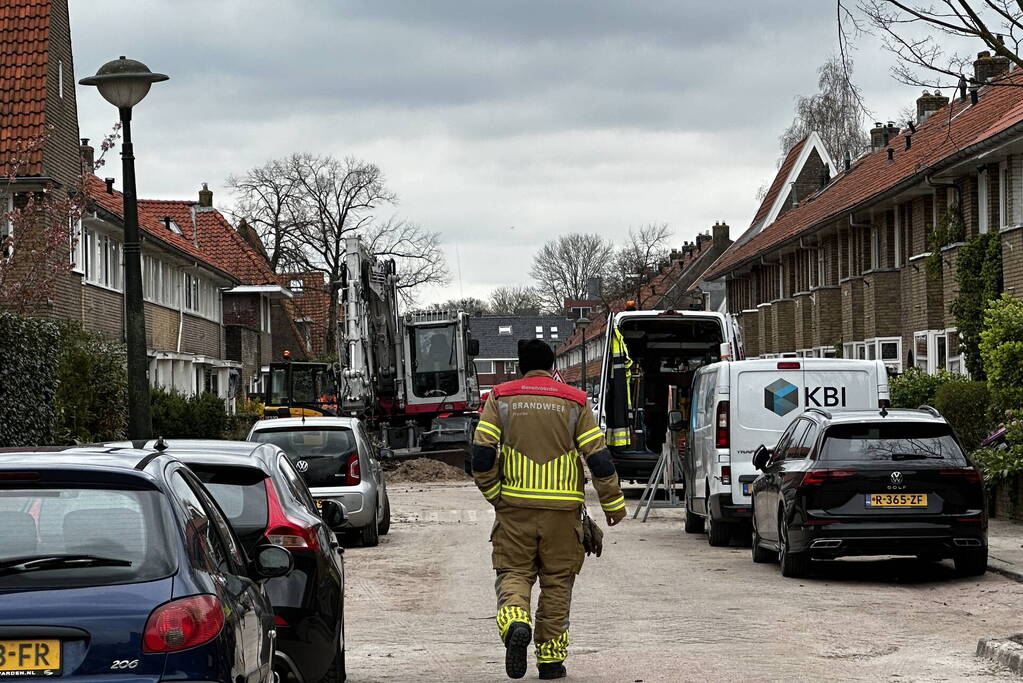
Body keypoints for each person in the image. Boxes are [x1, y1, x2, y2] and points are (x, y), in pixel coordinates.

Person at [472, 339, 627, 680]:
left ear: (519, 366)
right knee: (558, 583)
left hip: (514, 509)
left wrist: (495, 494)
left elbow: (481, 455)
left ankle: (515, 621)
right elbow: (598, 458)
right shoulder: (575, 401)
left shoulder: (500, 397)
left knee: (513, 574)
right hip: (563, 514)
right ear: (552, 363)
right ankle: (551, 660)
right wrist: (613, 504)